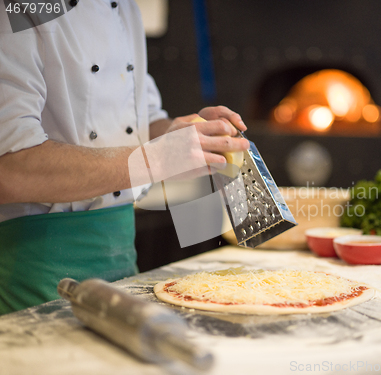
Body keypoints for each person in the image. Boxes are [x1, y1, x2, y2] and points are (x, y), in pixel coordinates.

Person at [0, 0, 249, 314]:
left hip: (120, 262)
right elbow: (10, 170)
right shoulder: (19, 8)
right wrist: (156, 159)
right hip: (34, 272)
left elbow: (142, 123)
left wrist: (194, 136)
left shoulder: (125, 9)